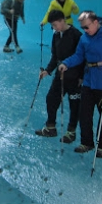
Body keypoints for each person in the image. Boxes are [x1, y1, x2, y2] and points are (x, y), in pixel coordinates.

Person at [58, 10, 102, 158]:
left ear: (96, 22)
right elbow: (79, 56)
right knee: (84, 113)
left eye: (87, 27)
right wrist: (66, 63)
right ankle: (87, 142)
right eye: (82, 28)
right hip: (89, 80)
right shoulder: (84, 39)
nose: (85, 30)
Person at [34, 10, 84, 143]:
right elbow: (55, 56)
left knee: (74, 104)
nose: (54, 28)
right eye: (52, 26)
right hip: (60, 75)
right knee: (51, 99)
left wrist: (81, 77)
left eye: (56, 24)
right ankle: (51, 128)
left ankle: (71, 133)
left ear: (63, 20)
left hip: (74, 76)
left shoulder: (76, 35)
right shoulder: (56, 35)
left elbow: (83, 56)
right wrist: (47, 71)